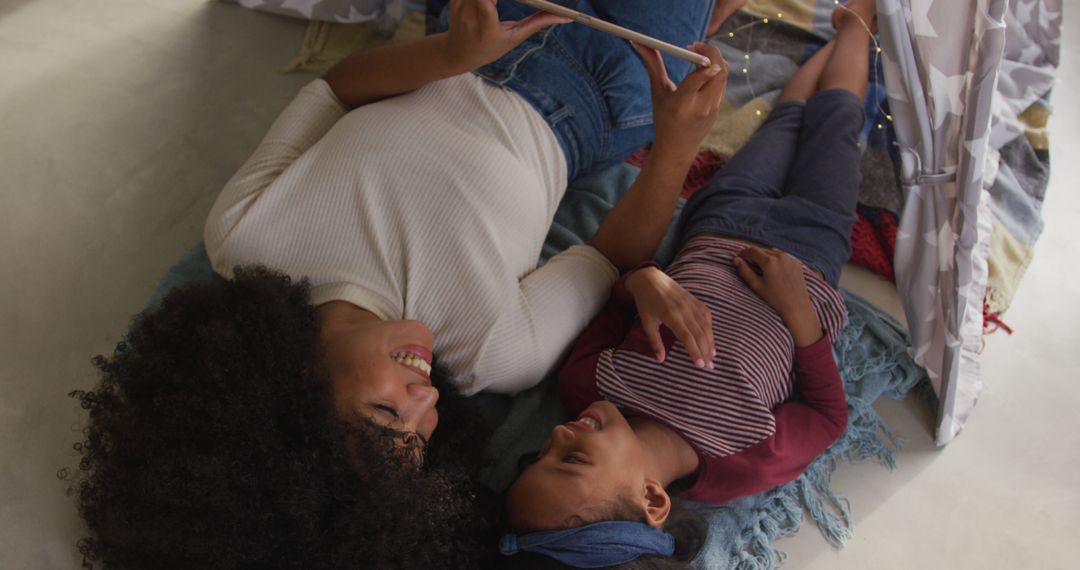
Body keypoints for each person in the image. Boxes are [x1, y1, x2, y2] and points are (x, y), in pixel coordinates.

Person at [68, 0, 734, 567]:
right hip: (604, 89)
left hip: (475, 31)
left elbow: (335, 91)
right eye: (421, 437)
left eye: (388, 415)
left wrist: (453, 53)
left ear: (290, 389)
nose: (425, 401)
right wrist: (676, 148)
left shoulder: (246, 240)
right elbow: (608, 256)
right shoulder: (488, 352)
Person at [502, 1, 879, 567]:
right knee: (836, 126)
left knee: (784, 120)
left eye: (539, 454)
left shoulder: (587, 385)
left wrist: (645, 281)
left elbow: (615, 290)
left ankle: (836, 37)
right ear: (652, 498)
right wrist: (800, 318)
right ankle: (859, 25)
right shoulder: (737, 461)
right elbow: (828, 418)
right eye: (572, 460)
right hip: (811, 250)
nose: (557, 437)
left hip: (719, 220)